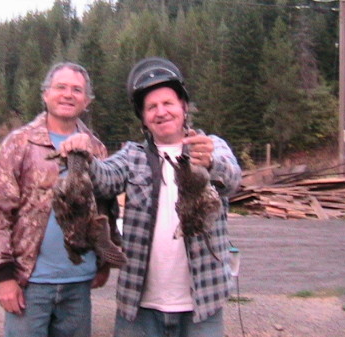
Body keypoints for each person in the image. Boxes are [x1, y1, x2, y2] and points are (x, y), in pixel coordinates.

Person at [60, 57, 242, 337]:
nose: (161, 112)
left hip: (202, 303)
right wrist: (81, 154)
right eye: (151, 107)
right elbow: (104, 179)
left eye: (168, 103)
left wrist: (209, 164)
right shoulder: (133, 156)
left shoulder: (211, 146)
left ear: (183, 106)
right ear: (143, 117)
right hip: (140, 306)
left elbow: (233, 180)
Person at [0, 61, 114, 337]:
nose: (68, 94)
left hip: (78, 285)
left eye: (77, 90)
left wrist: (104, 263)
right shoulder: (20, 143)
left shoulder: (96, 149)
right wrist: (4, 277)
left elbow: (107, 210)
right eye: (61, 87)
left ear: (87, 100)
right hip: (29, 284)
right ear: (45, 94)